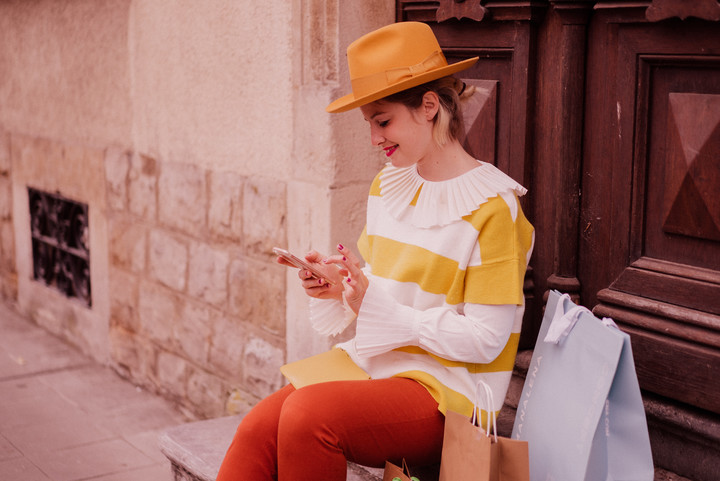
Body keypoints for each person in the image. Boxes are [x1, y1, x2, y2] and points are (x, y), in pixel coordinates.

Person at [216, 21, 534, 481]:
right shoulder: (389, 185)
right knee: (258, 427)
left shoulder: (494, 209)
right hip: (378, 363)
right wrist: (339, 286)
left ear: (429, 106)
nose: (374, 139)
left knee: (308, 419)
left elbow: (485, 339)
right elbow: (383, 286)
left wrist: (387, 314)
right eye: (369, 124)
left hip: (446, 389)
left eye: (383, 121)